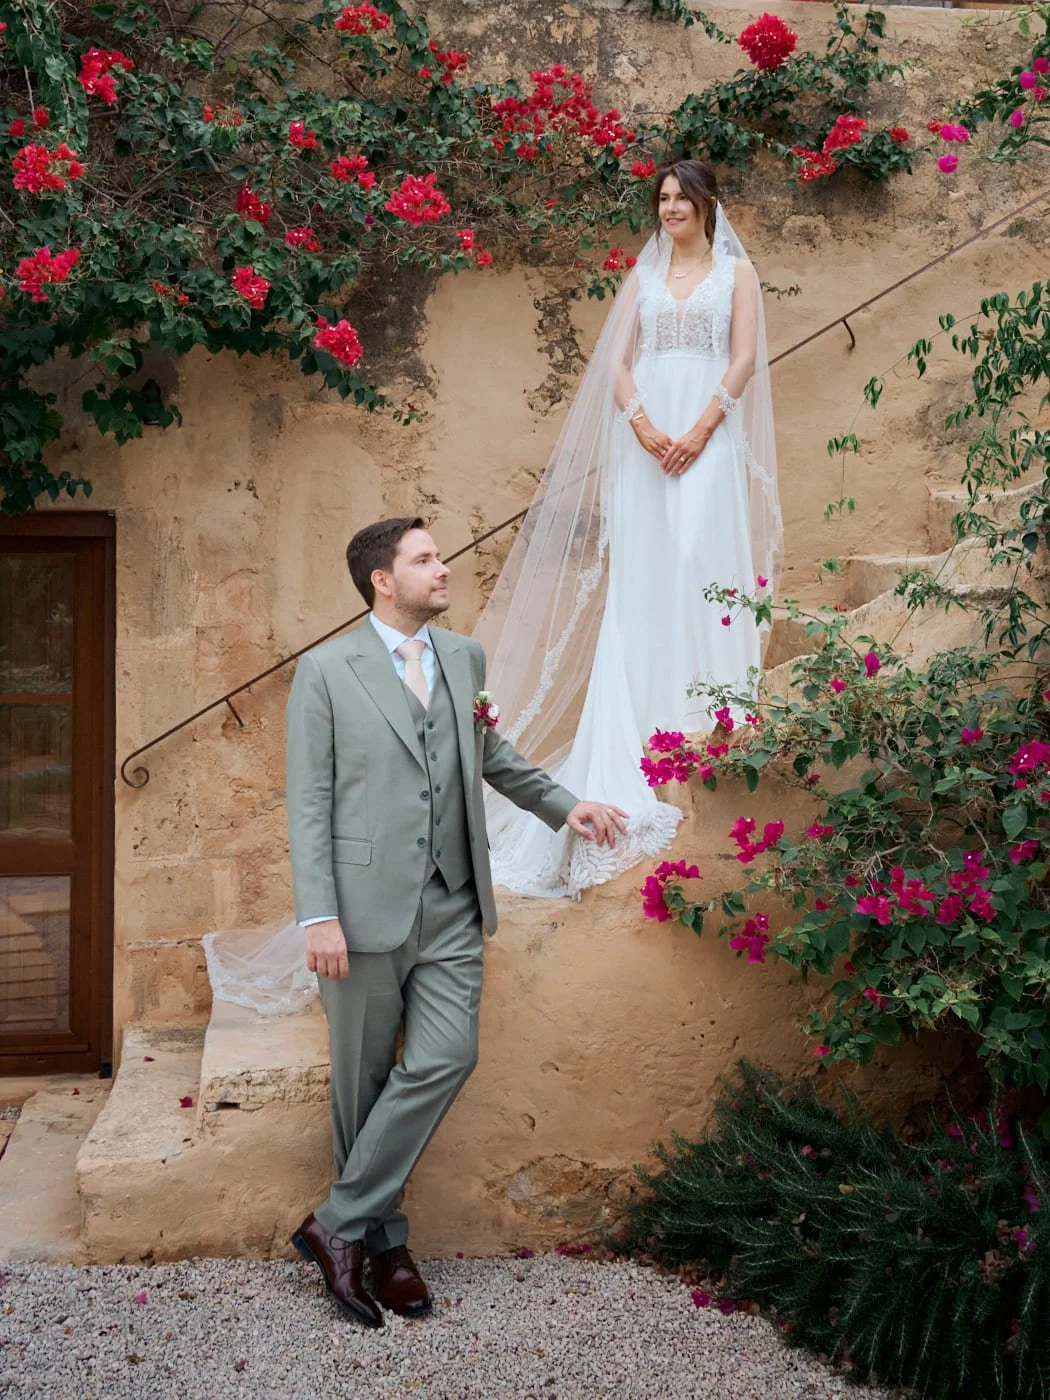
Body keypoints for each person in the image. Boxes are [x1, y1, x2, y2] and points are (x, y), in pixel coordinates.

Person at [283, 517, 627, 1327]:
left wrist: (563, 803)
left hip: (452, 901)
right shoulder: (326, 671)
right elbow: (308, 802)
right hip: (362, 912)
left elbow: (490, 754)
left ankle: (335, 1225)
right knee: (361, 1087)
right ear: (381, 579)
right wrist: (319, 915)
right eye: (425, 559)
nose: (444, 569)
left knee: (446, 1056)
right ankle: (385, 1245)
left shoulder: (464, 656)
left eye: (439, 555)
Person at [474, 159, 782, 900]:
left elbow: (742, 359)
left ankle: (709, 708)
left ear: (708, 204)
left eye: (682, 198)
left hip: (707, 434)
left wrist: (702, 428)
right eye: (663, 199)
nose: (671, 208)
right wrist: (643, 427)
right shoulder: (640, 281)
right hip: (646, 443)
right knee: (646, 571)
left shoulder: (737, 275)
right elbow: (616, 364)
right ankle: (644, 718)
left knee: (698, 558)